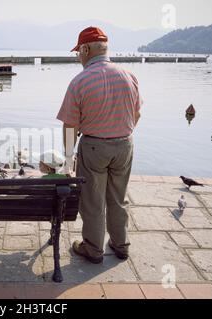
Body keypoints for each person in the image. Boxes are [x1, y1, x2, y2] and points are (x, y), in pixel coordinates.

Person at [57, 27, 141, 264]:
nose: (78, 58)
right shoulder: (128, 75)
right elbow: (137, 114)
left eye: (78, 53)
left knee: (92, 201)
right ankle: (120, 244)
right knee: (119, 197)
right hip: (125, 144)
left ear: (85, 49)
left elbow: (70, 126)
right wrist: (120, 133)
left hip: (94, 147)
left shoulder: (80, 81)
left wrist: (68, 158)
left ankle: (94, 249)